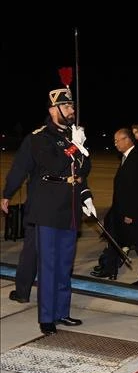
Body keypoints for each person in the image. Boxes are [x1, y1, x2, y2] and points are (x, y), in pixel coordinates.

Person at [29, 86, 96, 335]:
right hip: (48, 209)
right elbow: (54, 165)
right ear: (53, 109)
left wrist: (85, 195)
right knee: (49, 265)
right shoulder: (41, 137)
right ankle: (47, 317)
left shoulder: (71, 136)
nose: (71, 111)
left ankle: (61, 312)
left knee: (65, 265)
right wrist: (74, 148)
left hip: (69, 208)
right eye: (67, 107)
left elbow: (84, 168)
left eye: (72, 107)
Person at [91, 128, 138, 285]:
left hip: (132, 211)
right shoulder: (126, 156)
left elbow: (137, 189)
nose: (115, 144)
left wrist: (130, 213)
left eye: (117, 140)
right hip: (120, 208)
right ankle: (109, 268)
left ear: (127, 140)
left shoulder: (137, 158)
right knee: (114, 238)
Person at [1, 132, 38, 303]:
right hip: (65, 207)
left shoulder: (38, 137)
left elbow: (20, 168)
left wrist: (8, 194)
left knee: (31, 251)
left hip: (40, 207)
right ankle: (52, 297)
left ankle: (23, 292)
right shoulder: (72, 138)